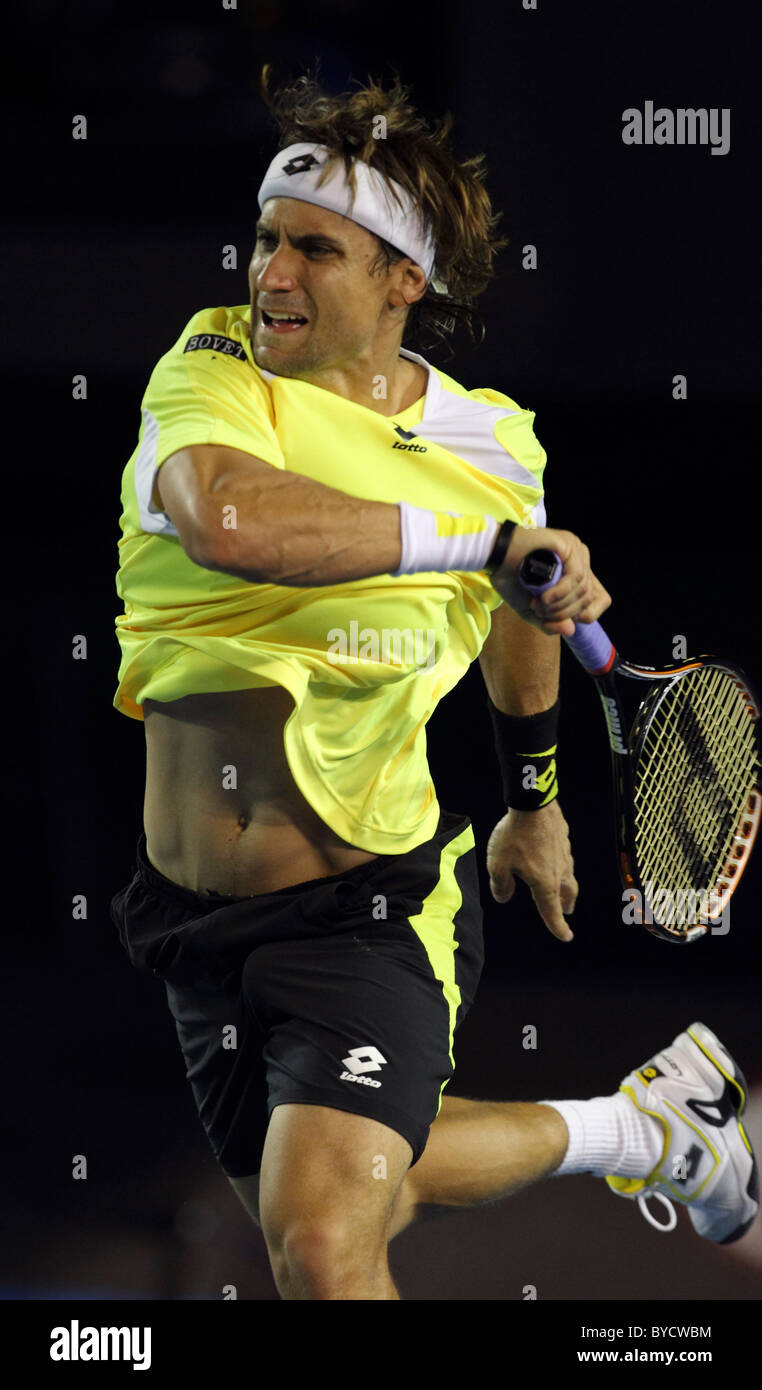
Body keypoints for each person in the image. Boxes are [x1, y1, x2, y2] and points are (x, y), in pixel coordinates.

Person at [109, 68, 758, 1300]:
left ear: (405, 280)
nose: (271, 274)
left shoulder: (494, 445)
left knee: (323, 1242)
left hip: (370, 901)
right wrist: (485, 545)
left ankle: (651, 1130)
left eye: (314, 250)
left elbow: (524, 616)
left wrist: (533, 800)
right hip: (194, 919)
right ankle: (649, 1131)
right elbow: (232, 520)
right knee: (360, 1193)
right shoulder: (214, 365)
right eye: (265, 240)